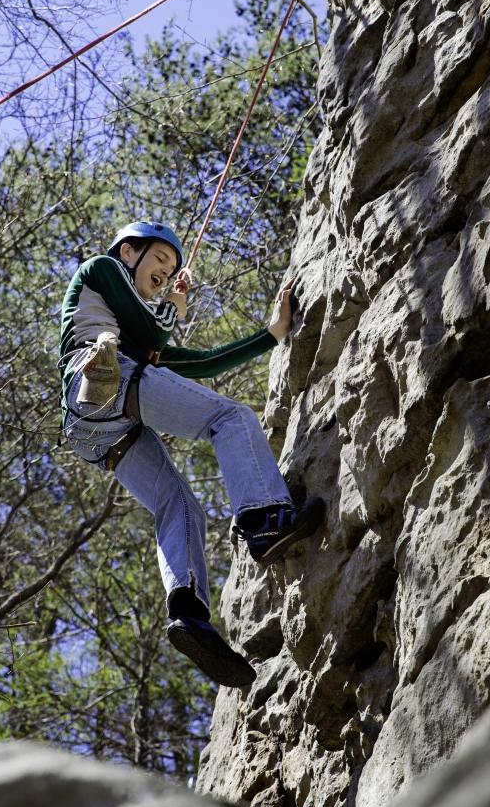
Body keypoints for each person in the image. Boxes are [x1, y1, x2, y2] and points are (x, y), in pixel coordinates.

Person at [59, 219, 324, 690]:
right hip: (104, 375)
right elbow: (154, 332)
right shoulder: (99, 270)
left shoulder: (142, 337)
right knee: (233, 419)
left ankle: (188, 613)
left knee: (180, 505)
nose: (165, 273)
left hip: (96, 430)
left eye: (172, 270)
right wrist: (172, 306)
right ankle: (264, 519)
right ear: (128, 253)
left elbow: (201, 363)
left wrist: (271, 335)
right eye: (159, 260)